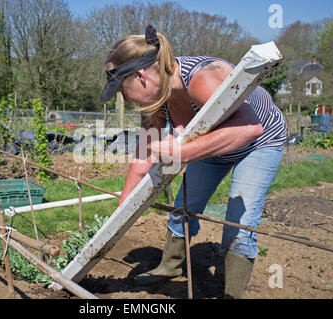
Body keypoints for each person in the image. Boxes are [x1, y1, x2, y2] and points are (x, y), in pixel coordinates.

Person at [99, 25, 287, 299]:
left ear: (140, 76)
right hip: (210, 145)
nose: (124, 98)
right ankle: (170, 267)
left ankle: (231, 293)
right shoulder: (156, 100)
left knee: (239, 224)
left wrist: (180, 152)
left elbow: (249, 129)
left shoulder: (201, 78)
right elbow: (144, 154)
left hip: (259, 142)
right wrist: (123, 207)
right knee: (183, 208)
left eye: (121, 89)